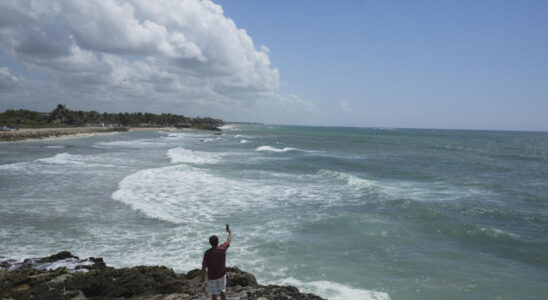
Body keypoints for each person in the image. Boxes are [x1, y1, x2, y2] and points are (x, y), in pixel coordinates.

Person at [201, 226, 232, 300]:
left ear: (210, 243)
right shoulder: (222, 249)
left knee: (214, 294)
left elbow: (204, 267)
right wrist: (229, 232)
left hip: (212, 277)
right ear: (218, 242)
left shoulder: (207, 253)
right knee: (223, 290)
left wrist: (203, 279)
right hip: (222, 275)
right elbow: (228, 241)